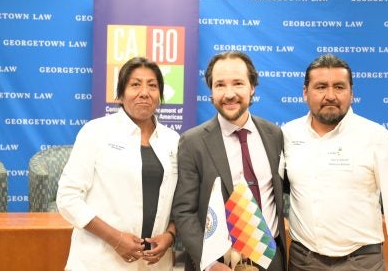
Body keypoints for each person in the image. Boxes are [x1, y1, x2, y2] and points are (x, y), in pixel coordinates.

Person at [282, 54, 388, 271]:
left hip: (361, 262)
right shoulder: (287, 135)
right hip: (303, 262)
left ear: (351, 93)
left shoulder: (376, 137)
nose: (330, 95)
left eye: (339, 87)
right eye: (320, 87)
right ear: (305, 93)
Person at [56, 56, 180, 270]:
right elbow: (68, 198)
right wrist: (116, 239)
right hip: (100, 259)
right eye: (135, 84)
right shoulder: (95, 131)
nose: (144, 92)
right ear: (121, 95)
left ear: (160, 95)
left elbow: (181, 202)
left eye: (152, 85)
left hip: (154, 263)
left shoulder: (173, 140)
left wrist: (170, 236)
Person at [173, 51, 287, 271]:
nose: (229, 94)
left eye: (238, 83)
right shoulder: (192, 142)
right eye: (220, 85)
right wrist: (210, 263)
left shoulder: (274, 135)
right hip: (220, 262)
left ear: (252, 87)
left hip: (271, 260)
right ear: (211, 92)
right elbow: (183, 212)